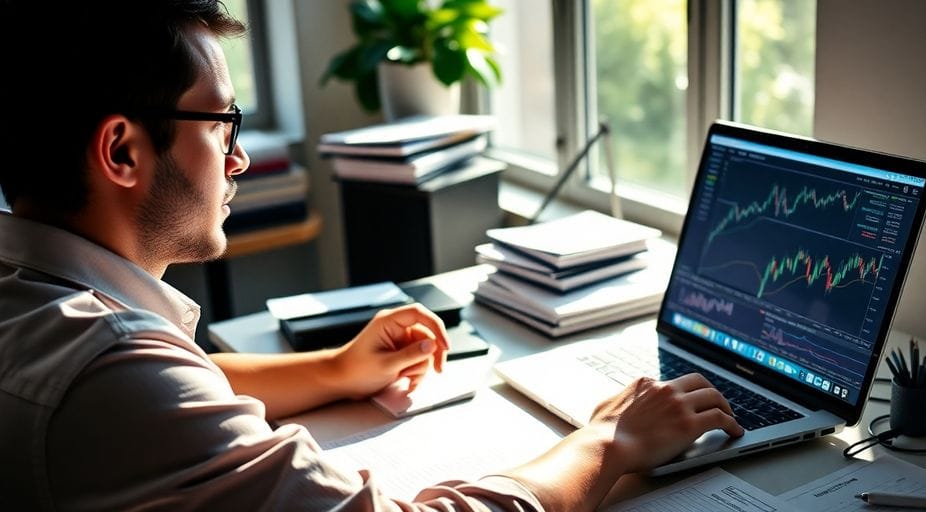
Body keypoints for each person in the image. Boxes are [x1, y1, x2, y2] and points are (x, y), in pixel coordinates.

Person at [0, 1, 743, 510]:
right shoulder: (110, 373)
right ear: (122, 150)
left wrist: (334, 370)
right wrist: (609, 441)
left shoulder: (38, 303)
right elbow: (142, 388)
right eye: (224, 123)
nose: (239, 161)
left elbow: (170, 381)